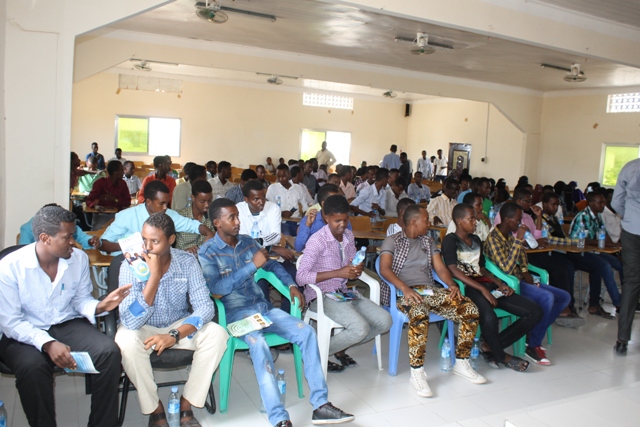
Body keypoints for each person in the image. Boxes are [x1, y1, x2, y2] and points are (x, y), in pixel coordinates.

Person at [199, 199, 354, 427]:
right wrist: (252, 266)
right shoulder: (208, 252)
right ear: (217, 223)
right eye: (231, 217)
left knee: (306, 332)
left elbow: (271, 265)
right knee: (259, 345)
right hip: (235, 315)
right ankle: (279, 418)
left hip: (263, 309)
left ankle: (321, 405)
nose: (238, 221)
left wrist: (291, 285)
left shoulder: (247, 242)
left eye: (237, 216)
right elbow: (217, 290)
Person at [0, 205, 131, 427]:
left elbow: (81, 299)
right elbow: (11, 322)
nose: (73, 242)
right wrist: (48, 343)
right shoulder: (10, 267)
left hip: (65, 322)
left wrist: (100, 306)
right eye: (67, 237)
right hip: (23, 330)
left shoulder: (78, 259)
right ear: (45, 238)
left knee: (108, 352)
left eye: (73, 235)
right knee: (32, 366)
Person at [115, 213, 227, 427]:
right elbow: (130, 320)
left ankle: (187, 403)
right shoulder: (131, 265)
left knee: (218, 334)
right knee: (125, 341)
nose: (147, 247)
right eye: (144, 239)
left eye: (155, 241)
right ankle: (154, 408)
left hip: (178, 325)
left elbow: (205, 306)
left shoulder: (187, 262)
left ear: (171, 240)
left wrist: (174, 335)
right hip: (143, 328)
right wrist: (154, 278)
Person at [379, 205, 485, 397]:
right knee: (419, 313)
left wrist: (451, 284)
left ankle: (462, 362)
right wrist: (405, 288)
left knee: (469, 309)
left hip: (428, 291)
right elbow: (384, 268)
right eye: (426, 220)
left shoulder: (428, 241)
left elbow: (441, 268)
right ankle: (417, 373)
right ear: (414, 222)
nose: (429, 223)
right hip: (403, 293)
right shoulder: (392, 241)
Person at [296, 195, 392, 371]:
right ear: (326, 218)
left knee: (385, 321)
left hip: (343, 292)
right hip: (322, 295)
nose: (342, 225)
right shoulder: (317, 241)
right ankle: (315, 353)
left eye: (345, 220)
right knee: (360, 328)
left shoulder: (348, 236)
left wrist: (356, 268)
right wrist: (338, 272)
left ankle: (338, 348)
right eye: (337, 221)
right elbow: (301, 277)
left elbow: (351, 263)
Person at [443, 204, 541, 371]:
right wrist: (482, 289)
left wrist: (500, 284)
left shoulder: (476, 240)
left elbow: (482, 268)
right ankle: (502, 356)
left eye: (475, 218)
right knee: (489, 318)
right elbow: (452, 269)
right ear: (459, 221)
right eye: (471, 219)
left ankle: (491, 346)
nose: (475, 222)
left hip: (486, 284)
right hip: (468, 288)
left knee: (534, 311)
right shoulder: (450, 240)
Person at [484, 202, 571, 365]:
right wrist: (519, 239)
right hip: (509, 285)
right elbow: (506, 269)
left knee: (563, 297)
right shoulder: (493, 239)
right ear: (507, 219)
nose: (520, 223)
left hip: (521, 280)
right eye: (517, 220)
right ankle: (533, 345)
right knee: (547, 298)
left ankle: (533, 332)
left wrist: (525, 271)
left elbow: (522, 257)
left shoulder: (509, 235)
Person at [238, 180, 300, 315]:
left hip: (273, 257)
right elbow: (243, 241)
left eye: (263, 197)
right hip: (250, 260)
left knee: (295, 275)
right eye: (256, 199)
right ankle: (266, 316)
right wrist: (270, 246)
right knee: (259, 284)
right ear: (246, 199)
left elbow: (276, 236)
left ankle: (286, 314)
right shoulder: (238, 210)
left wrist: (260, 242)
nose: (261, 202)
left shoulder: (273, 208)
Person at [100, 181, 214, 254]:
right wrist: (131, 247)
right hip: (129, 262)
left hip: (158, 264)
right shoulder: (127, 216)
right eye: (161, 203)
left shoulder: (169, 214)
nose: (165, 207)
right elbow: (103, 244)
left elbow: (193, 225)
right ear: (149, 202)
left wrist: (208, 233)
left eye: (167, 203)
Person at [569, 191, 622, 317]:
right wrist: (606, 244)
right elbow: (582, 240)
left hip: (591, 251)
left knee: (619, 264)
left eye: (604, 202)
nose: (603, 205)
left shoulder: (597, 215)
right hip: (577, 253)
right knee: (603, 266)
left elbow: (603, 234)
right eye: (600, 202)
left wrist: (616, 246)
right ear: (591, 203)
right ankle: (618, 303)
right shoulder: (583, 217)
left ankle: (628, 297)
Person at [612, 158, 640, 355]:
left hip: (631, 231)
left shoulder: (630, 167)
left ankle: (622, 341)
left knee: (631, 283)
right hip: (631, 227)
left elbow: (616, 202)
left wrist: (629, 218)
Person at [295, 184, 351, 252]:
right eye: (334, 201)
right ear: (323, 204)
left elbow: (348, 246)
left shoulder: (344, 220)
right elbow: (298, 248)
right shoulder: (309, 220)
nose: (338, 203)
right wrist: (307, 226)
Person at [266, 164, 311, 235]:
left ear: (289, 175)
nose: (280, 179)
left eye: (283, 176)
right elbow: (268, 208)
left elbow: (305, 206)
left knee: (306, 234)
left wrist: (305, 214)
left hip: (297, 221)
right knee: (287, 234)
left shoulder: (298, 188)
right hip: (281, 222)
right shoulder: (272, 188)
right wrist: (281, 214)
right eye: (278, 177)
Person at [175, 180, 214, 255]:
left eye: (209, 201)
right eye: (202, 201)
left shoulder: (211, 217)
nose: (207, 205)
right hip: (183, 257)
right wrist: (184, 252)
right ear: (193, 198)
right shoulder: (180, 217)